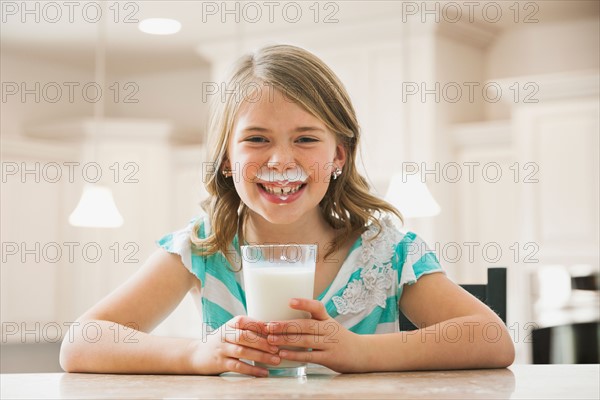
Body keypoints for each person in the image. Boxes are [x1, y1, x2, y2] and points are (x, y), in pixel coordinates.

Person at [59, 44, 515, 377]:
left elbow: (493, 339)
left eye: (306, 138)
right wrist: (196, 355)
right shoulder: (203, 247)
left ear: (339, 156)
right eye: (256, 139)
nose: (280, 161)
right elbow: (81, 343)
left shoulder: (387, 253)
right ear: (226, 159)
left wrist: (360, 352)